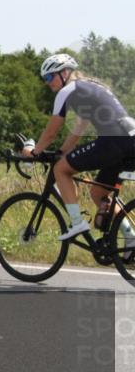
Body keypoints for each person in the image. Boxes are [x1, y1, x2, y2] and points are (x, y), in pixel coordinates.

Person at [22, 54, 135, 246]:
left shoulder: (66, 91)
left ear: (64, 73)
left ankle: (77, 223)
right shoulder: (90, 87)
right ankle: (130, 238)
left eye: (49, 77)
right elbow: (78, 129)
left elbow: (52, 130)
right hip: (129, 140)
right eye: (45, 79)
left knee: (60, 170)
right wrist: (62, 152)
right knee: (98, 193)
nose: (47, 83)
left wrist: (34, 152)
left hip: (113, 140)